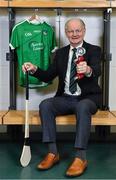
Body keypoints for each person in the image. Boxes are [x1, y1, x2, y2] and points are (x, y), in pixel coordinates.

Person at [22, 18, 102, 177]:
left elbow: (97, 70)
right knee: (46, 105)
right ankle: (53, 153)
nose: (74, 34)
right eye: (71, 31)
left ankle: (80, 158)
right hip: (66, 98)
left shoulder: (94, 50)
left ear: (84, 31)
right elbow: (48, 76)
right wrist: (34, 69)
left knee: (82, 106)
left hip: (88, 98)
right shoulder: (61, 53)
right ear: (66, 33)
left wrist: (87, 70)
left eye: (78, 30)